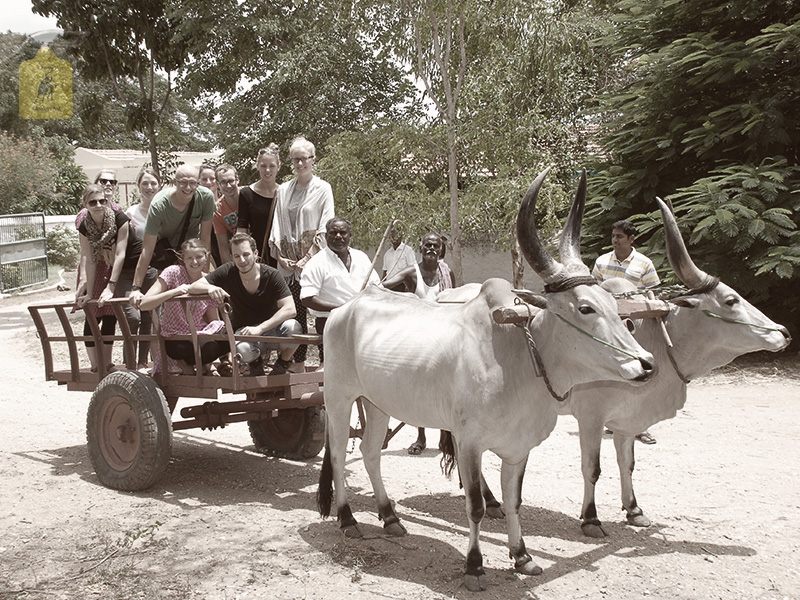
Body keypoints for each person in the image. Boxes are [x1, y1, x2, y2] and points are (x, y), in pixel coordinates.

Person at [188, 233, 302, 376]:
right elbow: (193, 287)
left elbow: (290, 309)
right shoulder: (227, 271)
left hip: (273, 330)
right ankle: (255, 364)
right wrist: (210, 288)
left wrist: (260, 328)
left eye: (246, 254)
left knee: (294, 327)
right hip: (244, 332)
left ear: (255, 254)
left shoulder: (271, 275)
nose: (242, 260)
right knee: (242, 348)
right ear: (232, 257)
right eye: (237, 256)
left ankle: (283, 363)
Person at [382, 232, 455, 455]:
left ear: (440, 250)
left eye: (436, 246)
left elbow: (455, 297)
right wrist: (402, 302)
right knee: (420, 388)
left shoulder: (447, 272)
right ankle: (421, 437)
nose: (432, 249)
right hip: (420, 339)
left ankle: (446, 437)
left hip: (445, 337)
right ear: (420, 248)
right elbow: (383, 286)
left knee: (447, 388)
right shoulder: (412, 272)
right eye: (427, 246)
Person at [269, 136, 335, 369]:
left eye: (304, 159)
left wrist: (308, 257)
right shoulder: (284, 190)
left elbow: (325, 225)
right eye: (295, 160)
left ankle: (327, 363)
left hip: (314, 262)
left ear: (313, 160)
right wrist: (280, 255)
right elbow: (277, 223)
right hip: (289, 263)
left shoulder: (323, 188)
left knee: (319, 314)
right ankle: (297, 362)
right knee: (294, 314)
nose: (299, 164)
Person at [592, 219, 660, 445]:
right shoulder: (602, 262)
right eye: (613, 236)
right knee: (612, 373)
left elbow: (652, 295)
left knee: (640, 373)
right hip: (610, 328)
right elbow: (593, 293)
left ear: (632, 239)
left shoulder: (644, 263)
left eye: (620, 236)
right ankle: (614, 421)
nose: (615, 240)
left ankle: (642, 426)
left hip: (637, 327)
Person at [128, 164, 216, 309]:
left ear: (198, 183)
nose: (188, 187)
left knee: (208, 302)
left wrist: (203, 276)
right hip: (168, 257)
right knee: (173, 304)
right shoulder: (159, 205)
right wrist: (136, 288)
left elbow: (205, 238)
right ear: (174, 182)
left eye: (192, 183)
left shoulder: (205, 197)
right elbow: (147, 249)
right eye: (183, 182)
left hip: (195, 254)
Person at [139, 238, 228, 375]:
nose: (195, 262)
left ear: (206, 257)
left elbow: (213, 319)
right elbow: (144, 304)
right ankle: (184, 363)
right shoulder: (173, 272)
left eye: (199, 257)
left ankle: (204, 364)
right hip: (175, 336)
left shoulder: (208, 279)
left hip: (197, 335)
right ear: (183, 259)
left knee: (221, 339)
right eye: (190, 258)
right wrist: (175, 292)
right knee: (183, 347)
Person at [300, 217, 380, 369]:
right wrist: (344, 308)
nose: (338, 236)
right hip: (331, 320)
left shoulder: (361, 257)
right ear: (325, 236)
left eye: (343, 233)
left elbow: (376, 287)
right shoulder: (316, 263)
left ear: (350, 236)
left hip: (363, 318)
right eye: (333, 233)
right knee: (342, 366)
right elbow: (307, 299)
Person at [74, 184, 131, 373]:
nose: (98, 205)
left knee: (109, 315)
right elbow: (89, 259)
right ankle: (95, 365)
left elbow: (120, 254)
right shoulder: (85, 226)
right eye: (93, 202)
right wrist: (90, 292)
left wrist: (111, 286)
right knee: (92, 314)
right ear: (85, 204)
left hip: (117, 266)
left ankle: (106, 363)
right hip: (97, 267)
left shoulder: (119, 219)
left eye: (102, 201)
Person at [115, 168, 161, 370]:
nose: (149, 187)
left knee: (149, 317)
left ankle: (143, 361)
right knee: (132, 317)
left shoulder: (164, 210)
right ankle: (130, 362)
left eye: (153, 183)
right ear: (138, 186)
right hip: (132, 270)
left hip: (154, 269)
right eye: (145, 183)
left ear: (159, 185)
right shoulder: (130, 214)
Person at [236, 145, 280, 265]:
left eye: (272, 166)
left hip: (282, 256)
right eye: (263, 166)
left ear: (278, 167)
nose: (267, 170)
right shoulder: (247, 194)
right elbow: (242, 228)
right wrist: (243, 253)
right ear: (257, 167)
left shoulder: (285, 192)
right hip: (258, 256)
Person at [213, 164, 240, 265]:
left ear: (237, 179)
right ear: (218, 184)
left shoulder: (250, 195)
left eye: (231, 181)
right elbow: (223, 248)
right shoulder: (217, 211)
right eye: (223, 182)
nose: (228, 186)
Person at [381, 223, 417, 292]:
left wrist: (409, 286)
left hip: (403, 286)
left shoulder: (407, 250)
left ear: (401, 237)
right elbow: (385, 272)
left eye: (396, 236)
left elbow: (413, 269)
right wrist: (382, 286)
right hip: (389, 286)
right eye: (392, 237)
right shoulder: (387, 253)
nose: (394, 239)